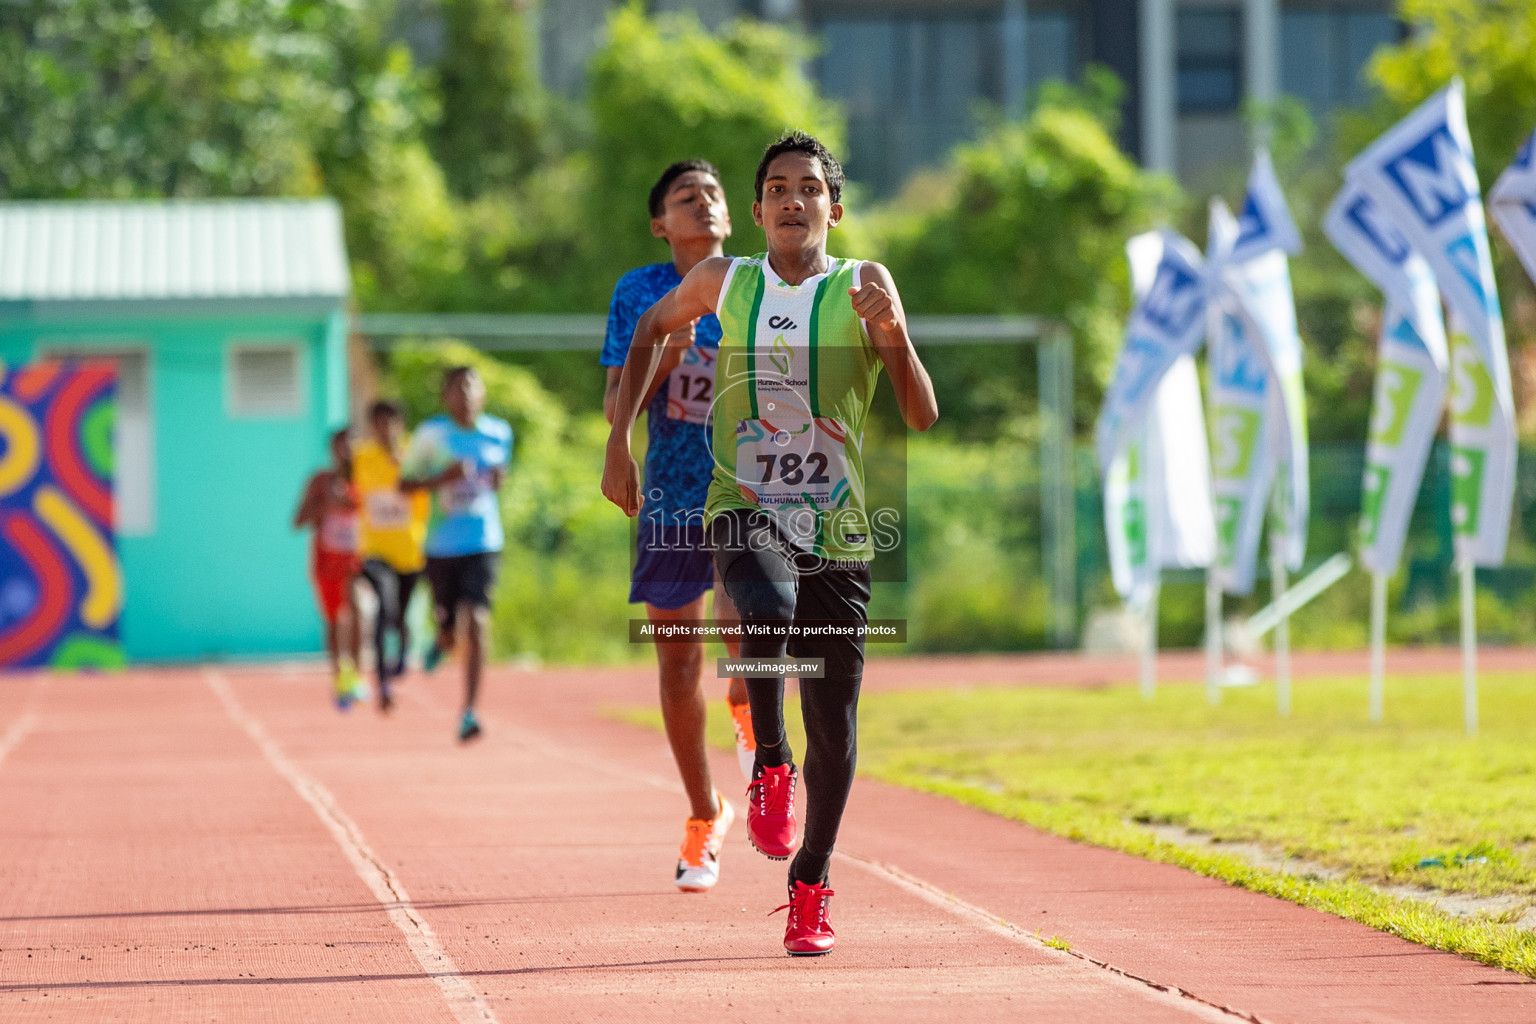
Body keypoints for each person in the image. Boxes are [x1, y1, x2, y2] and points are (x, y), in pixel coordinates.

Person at [601, 132, 938, 955]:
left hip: (840, 525)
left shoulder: (865, 283)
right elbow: (649, 325)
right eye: (778, 188)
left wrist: (893, 333)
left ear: (835, 207)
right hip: (743, 499)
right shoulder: (726, 279)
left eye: (810, 188)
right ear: (756, 211)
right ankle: (770, 761)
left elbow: (921, 412)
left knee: (840, 721)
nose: (794, 200)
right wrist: (619, 440)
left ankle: (812, 884)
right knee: (764, 600)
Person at [601, 159, 755, 894]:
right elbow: (614, 403)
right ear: (661, 223)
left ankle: (755, 721)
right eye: (685, 198)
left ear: (734, 214)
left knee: (748, 626)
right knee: (677, 662)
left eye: (713, 194)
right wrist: (670, 344)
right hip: (669, 489)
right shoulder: (640, 291)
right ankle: (704, 814)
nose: (703, 203)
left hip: (747, 484)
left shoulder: (758, 282)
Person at [401, 367, 513, 743]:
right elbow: (404, 484)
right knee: (452, 631)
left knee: (478, 620)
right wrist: (440, 480)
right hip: (440, 546)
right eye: (457, 388)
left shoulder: (498, 433)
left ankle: (470, 711)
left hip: (484, 541)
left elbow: (499, 475)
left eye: (472, 387)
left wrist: (499, 480)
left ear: (482, 394)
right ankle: (442, 639)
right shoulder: (431, 435)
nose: (465, 395)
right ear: (445, 396)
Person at [353, 399, 430, 712]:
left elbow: (430, 484)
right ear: (371, 428)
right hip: (374, 550)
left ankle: (403, 650)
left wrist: (404, 465)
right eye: (378, 424)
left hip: (410, 551)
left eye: (391, 423)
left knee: (399, 615)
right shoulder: (360, 458)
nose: (385, 430)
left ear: (401, 425)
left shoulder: (415, 454)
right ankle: (382, 683)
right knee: (385, 605)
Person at [293, 428, 368, 709]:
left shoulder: (366, 479)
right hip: (326, 561)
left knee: (358, 608)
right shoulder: (320, 482)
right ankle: (341, 679)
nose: (346, 452)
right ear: (332, 450)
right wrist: (326, 506)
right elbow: (298, 520)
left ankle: (357, 676)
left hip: (356, 560)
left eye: (351, 446)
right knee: (335, 619)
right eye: (340, 446)